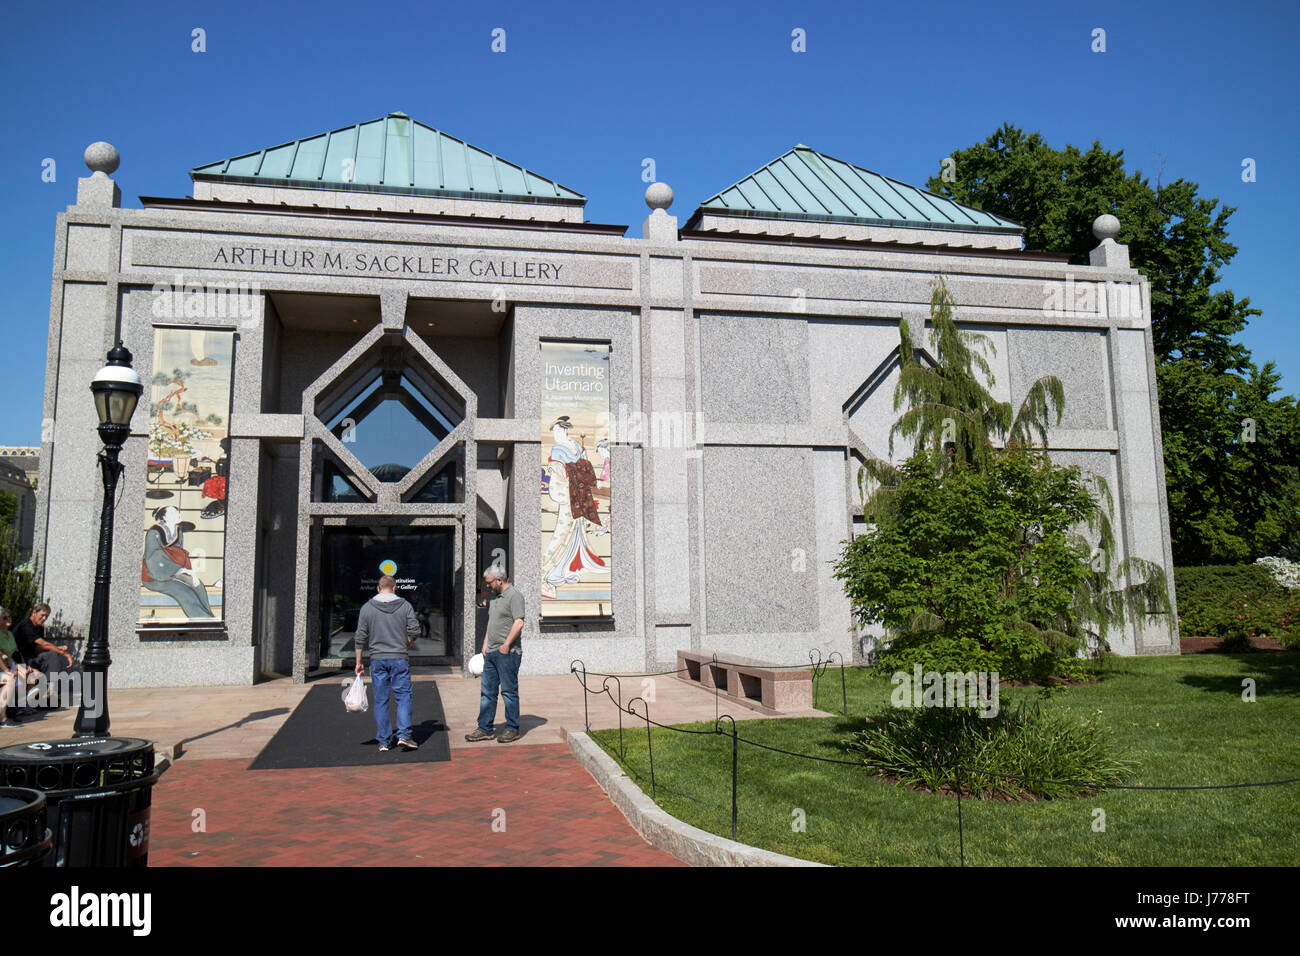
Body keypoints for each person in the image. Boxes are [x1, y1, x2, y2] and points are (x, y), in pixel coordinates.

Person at [353, 575, 421, 752]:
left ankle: (383, 741)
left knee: (381, 701)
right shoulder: (405, 606)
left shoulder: (367, 608)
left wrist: (359, 661)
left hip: (377, 659)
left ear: (378, 588)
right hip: (399, 658)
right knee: (403, 697)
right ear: (394, 588)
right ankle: (404, 735)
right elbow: (414, 629)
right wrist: (406, 643)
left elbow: (360, 636)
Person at [466, 566, 524, 743]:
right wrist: (485, 644)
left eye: (490, 582)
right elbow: (492, 624)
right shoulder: (496, 599)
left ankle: (512, 729)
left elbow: (519, 622)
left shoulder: (514, 596)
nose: (488, 586)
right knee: (487, 692)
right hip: (491, 652)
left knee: (508, 692)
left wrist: (506, 645)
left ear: (499, 580)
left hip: (507, 653)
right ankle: (485, 728)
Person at [12, 604, 71, 715]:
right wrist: (64, 653)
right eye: (42, 615)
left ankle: (48, 690)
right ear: (34, 613)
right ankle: (35, 698)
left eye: (46, 617)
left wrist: (57, 649)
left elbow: (39, 648)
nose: (44, 619)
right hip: (19, 660)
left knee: (51, 655)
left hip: (32, 658)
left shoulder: (39, 628)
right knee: (52, 655)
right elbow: (43, 643)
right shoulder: (26, 625)